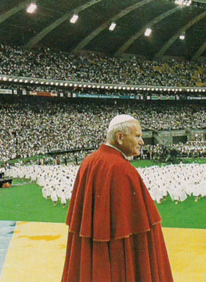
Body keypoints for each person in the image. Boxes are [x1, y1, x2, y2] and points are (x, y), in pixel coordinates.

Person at [62, 114, 173, 282]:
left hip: (93, 261)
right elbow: (136, 235)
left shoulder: (88, 162)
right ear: (120, 137)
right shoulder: (123, 169)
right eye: (137, 136)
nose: (141, 142)